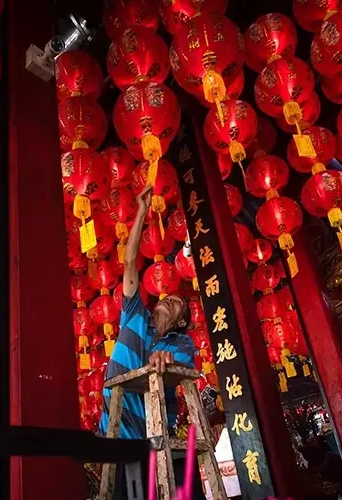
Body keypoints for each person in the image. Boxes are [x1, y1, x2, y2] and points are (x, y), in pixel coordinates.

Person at [99, 186, 205, 499]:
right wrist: (141, 212)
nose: (169, 298)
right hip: (116, 432)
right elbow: (130, 262)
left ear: (180, 321)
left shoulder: (181, 343)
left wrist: (166, 363)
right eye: (168, 297)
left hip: (155, 435)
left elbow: (182, 370)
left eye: (177, 303)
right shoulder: (134, 314)